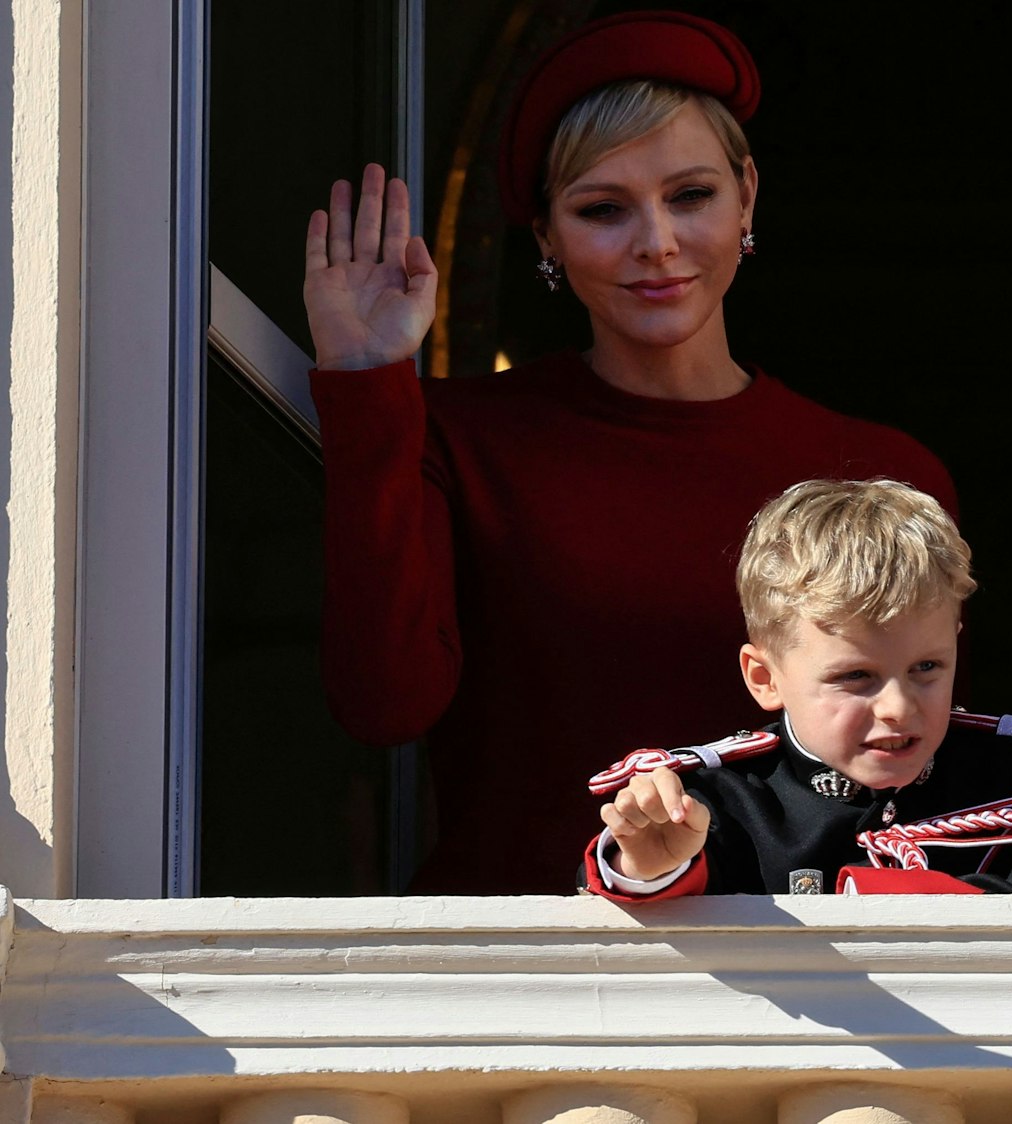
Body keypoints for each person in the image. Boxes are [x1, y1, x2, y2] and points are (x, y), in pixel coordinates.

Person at [303, 12, 953, 894]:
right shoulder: (464, 436)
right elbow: (382, 704)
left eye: (691, 196)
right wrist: (368, 382)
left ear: (748, 195)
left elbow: (922, 775)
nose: (657, 242)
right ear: (544, 236)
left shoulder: (878, 470)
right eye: (603, 209)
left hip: (808, 977)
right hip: (524, 969)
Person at [584, 480, 1012, 899]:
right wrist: (652, 867)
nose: (897, 707)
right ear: (764, 678)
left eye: (927, 666)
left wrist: (889, 902)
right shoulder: (722, 804)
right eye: (856, 677)